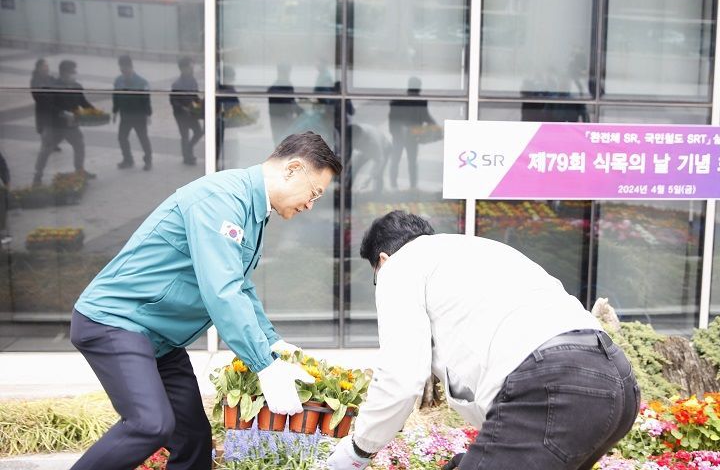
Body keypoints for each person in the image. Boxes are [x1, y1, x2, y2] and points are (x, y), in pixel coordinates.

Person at [69, 132, 342, 470]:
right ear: (293, 169)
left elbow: (239, 286)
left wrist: (275, 345)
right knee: (149, 425)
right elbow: (222, 289)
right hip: (117, 321)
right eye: (314, 193)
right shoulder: (221, 199)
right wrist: (264, 365)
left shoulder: (251, 207)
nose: (311, 205)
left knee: (194, 441)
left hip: (158, 336)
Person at [327, 211, 640, 470]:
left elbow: (401, 377)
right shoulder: (478, 250)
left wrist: (357, 451)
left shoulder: (399, 266)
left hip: (553, 385)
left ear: (382, 259)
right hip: (617, 383)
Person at [33, 60, 96, 187]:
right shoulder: (53, 86)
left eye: (74, 71)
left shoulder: (77, 86)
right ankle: (37, 176)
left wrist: (95, 111)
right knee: (45, 150)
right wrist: (63, 113)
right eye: (72, 72)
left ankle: (79, 170)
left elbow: (83, 102)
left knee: (79, 145)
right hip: (54, 125)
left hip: (71, 126)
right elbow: (48, 106)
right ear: (64, 73)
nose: (74, 74)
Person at [388, 77, 436, 190]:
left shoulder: (421, 101)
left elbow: (425, 116)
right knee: (398, 160)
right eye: (418, 87)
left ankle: (411, 185)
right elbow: (393, 119)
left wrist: (433, 125)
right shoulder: (398, 101)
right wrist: (395, 132)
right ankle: (395, 185)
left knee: (409, 161)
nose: (419, 89)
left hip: (412, 136)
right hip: (400, 136)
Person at [113, 55, 153, 171]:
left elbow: (146, 99)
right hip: (125, 115)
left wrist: (148, 114)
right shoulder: (118, 81)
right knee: (122, 137)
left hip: (139, 116)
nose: (123, 71)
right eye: (121, 68)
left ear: (131, 67)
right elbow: (115, 97)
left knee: (143, 138)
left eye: (125, 68)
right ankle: (128, 159)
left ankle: (148, 160)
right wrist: (115, 111)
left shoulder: (141, 82)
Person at [170, 57, 203, 165]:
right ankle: (187, 157)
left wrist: (201, 104)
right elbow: (174, 102)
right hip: (181, 115)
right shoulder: (177, 85)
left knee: (198, 132)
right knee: (185, 135)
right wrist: (184, 109)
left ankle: (188, 148)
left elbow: (195, 96)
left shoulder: (192, 80)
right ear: (183, 69)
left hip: (191, 113)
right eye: (190, 66)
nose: (192, 68)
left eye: (192, 66)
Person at [29, 58, 60, 153]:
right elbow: (36, 95)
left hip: (52, 107)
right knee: (44, 128)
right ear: (39, 67)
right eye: (45, 65)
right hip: (43, 107)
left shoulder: (50, 78)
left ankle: (53, 144)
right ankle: (46, 145)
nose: (47, 67)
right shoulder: (35, 80)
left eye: (47, 66)